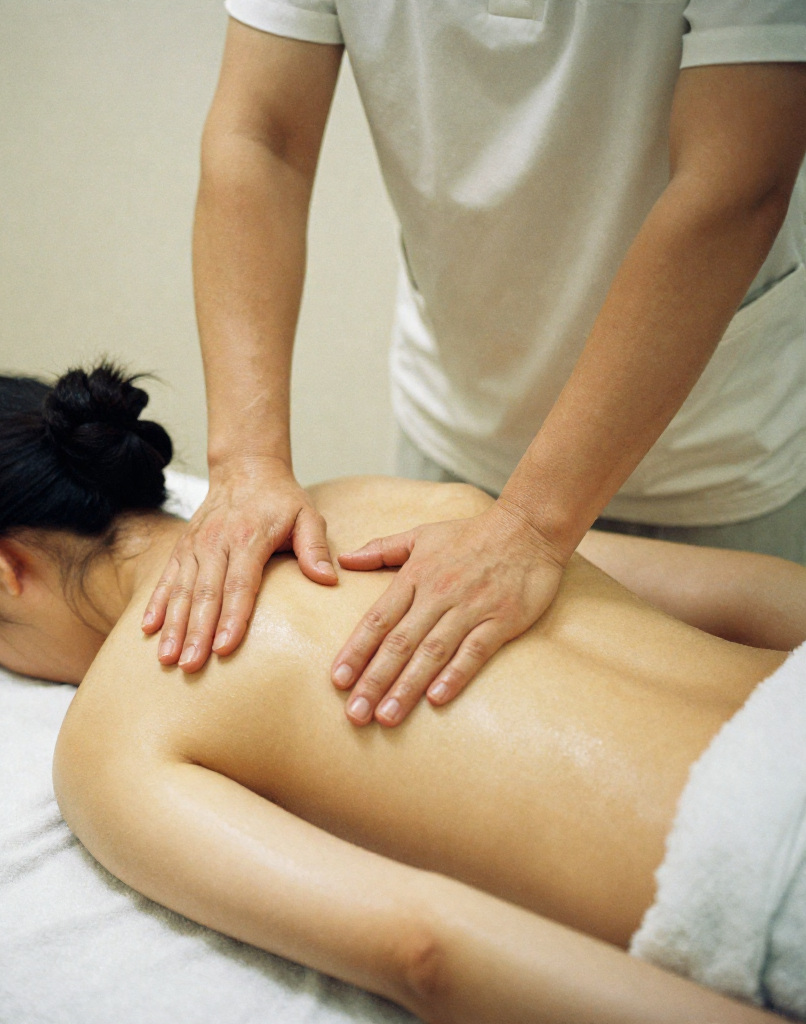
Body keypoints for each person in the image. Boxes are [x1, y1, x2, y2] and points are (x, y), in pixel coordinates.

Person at [0, 363, 806, 1023]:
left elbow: (426, 951)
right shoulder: (358, 499)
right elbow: (751, 595)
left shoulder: (115, 740)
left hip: (768, 880)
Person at [143, 2, 806, 732]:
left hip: (709, 440)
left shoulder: (120, 738)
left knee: (752, 723)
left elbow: (737, 179)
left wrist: (531, 527)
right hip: (460, 423)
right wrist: (246, 461)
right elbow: (259, 136)